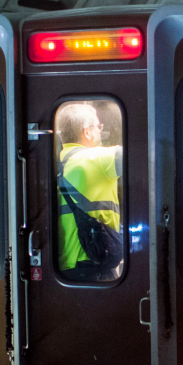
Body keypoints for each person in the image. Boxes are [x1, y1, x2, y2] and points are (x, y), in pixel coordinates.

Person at [57, 103, 123, 282]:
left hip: (64, 269)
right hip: (94, 265)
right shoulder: (97, 159)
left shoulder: (55, 164)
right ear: (87, 132)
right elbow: (141, 154)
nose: (101, 131)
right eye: (99, 126)